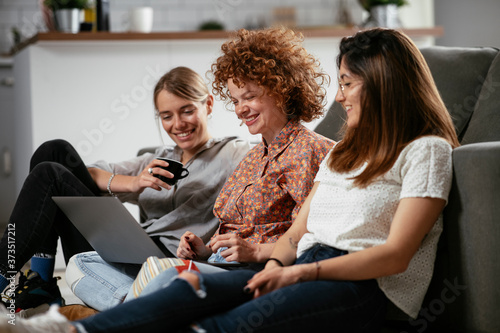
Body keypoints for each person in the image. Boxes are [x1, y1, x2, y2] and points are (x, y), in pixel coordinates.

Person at [0, 27, 461, 333]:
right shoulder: (341, 152)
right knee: (58, 170)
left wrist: (284, 266)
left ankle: (61, 297)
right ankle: (60, 318)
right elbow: (302, 231)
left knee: (190, 301)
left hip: (353, 282)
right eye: (165, 116)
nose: (338, 98)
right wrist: (133, 184)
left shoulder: (420, 150)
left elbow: (392, 253)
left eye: (347, 83)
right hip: (276, 264)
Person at [65, 26, 334, 310]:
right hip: (216, 264)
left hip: (251, 271)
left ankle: (138, 310)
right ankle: (142, 308)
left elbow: (312, 239)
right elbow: (230, 232)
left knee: (162, 273)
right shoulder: (254, 157)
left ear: (282, 90)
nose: (241, 109)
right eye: (235, 100)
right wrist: (203, 250)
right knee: (80, 262)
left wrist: (254, 251)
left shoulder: (308, 150)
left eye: (250, 96)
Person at [0, 66, 250, 313]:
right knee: (53, 152)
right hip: (124, 247)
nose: (178, 124)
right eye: (166, 116)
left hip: (162, 262)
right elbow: (88, 172)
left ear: (208, 104)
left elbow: (270, 160)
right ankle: (42, 281)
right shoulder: (158, 158)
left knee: (48, 173)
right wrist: (134, 182)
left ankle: (14, 275)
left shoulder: (233, 153)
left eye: (187, 111)